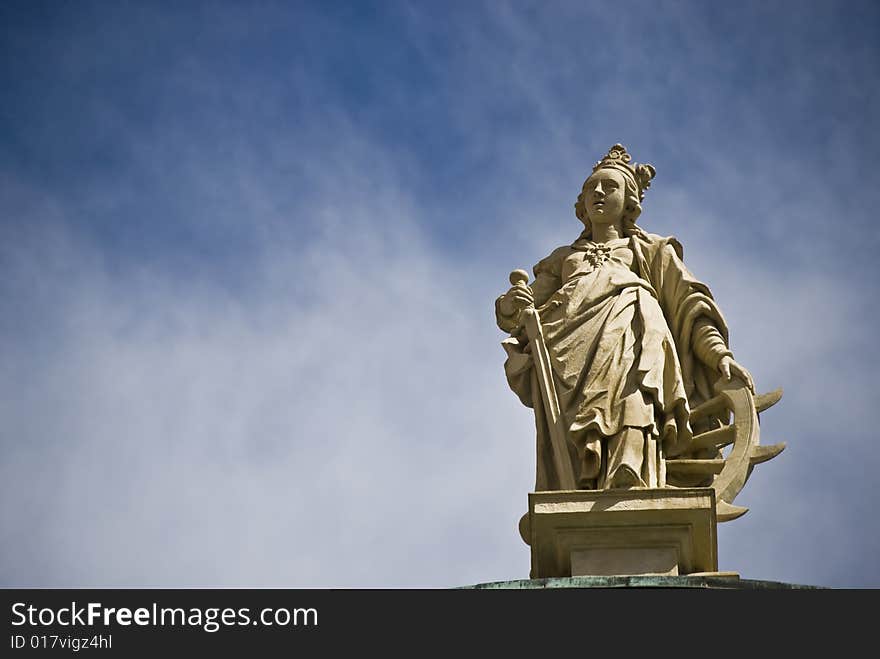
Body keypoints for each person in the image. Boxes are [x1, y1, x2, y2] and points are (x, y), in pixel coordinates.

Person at [496, 144, 753, 490]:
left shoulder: (649, 252)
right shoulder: (563, 259)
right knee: (585, 421)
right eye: (591, 188)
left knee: (636, 396)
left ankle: (630, 470)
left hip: (633, 334)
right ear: (582, 204)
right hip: (571, 356)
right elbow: (521, 315)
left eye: (609, 187)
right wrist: (512, 303)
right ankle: (585, 474)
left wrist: (718, 354)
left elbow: (691, 306)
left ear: (629, 202)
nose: (598, 193)